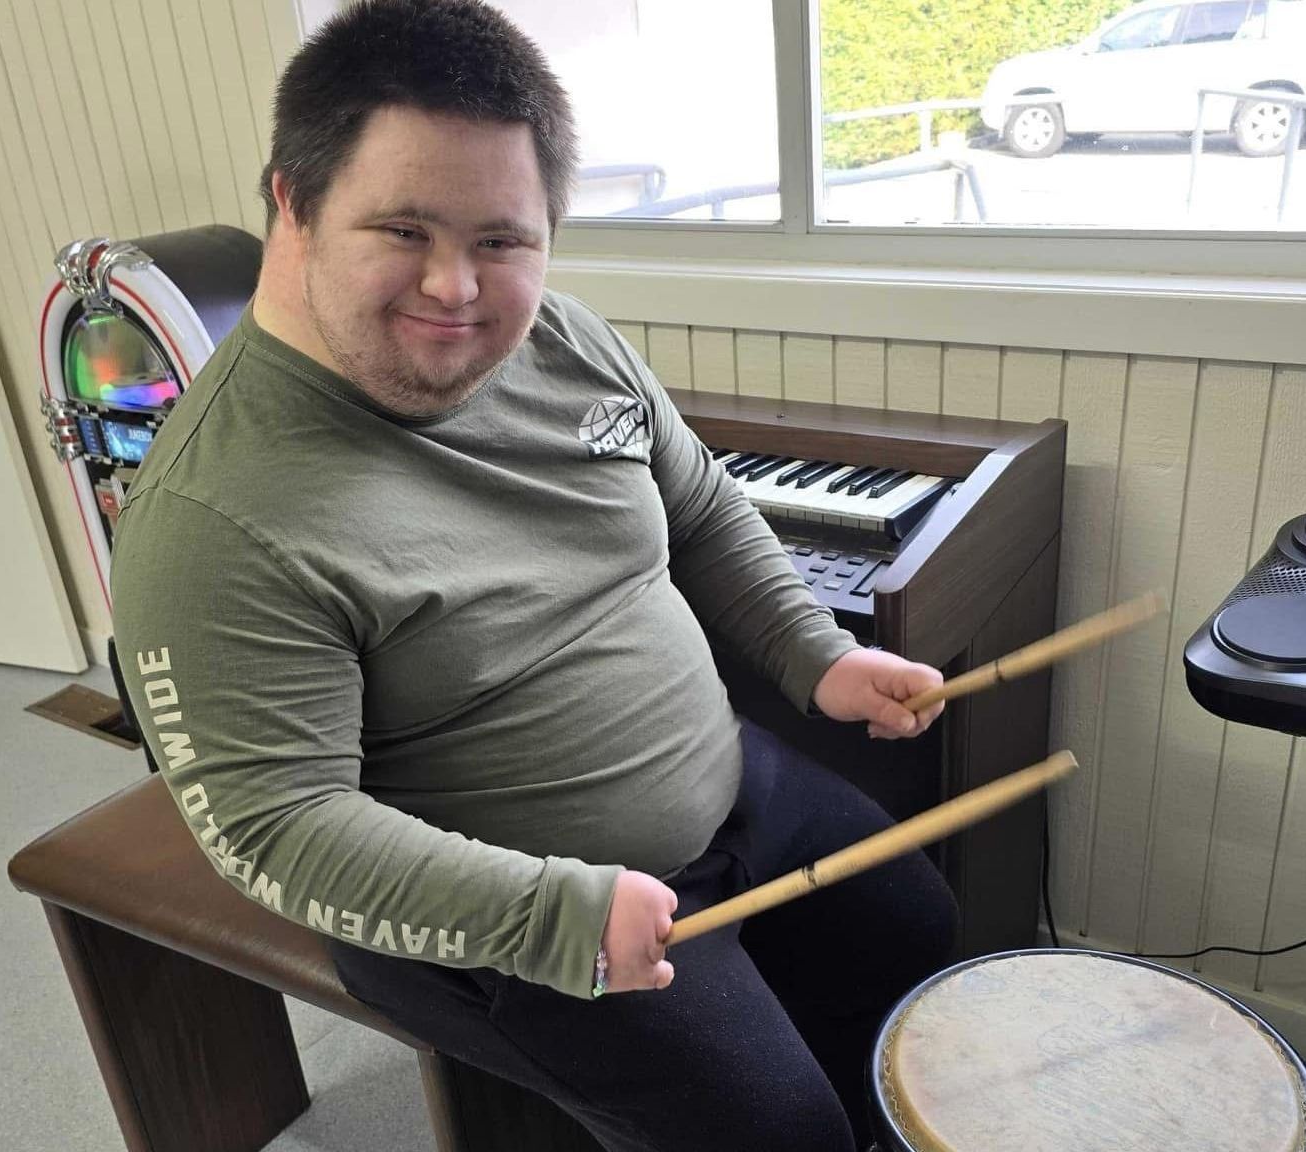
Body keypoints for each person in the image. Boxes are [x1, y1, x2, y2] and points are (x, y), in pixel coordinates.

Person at [110, 3, 957, 1149]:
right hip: (505, 906)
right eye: (403, 230)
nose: (457, 289)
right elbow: (278, 830)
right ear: (293, 203)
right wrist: (547, 913)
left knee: (917, 939)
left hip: (723, 778)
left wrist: (820, 655)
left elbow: (701, 506)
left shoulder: (565, 342)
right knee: (776, 1134)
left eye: (502, 241)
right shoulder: (215, 518)